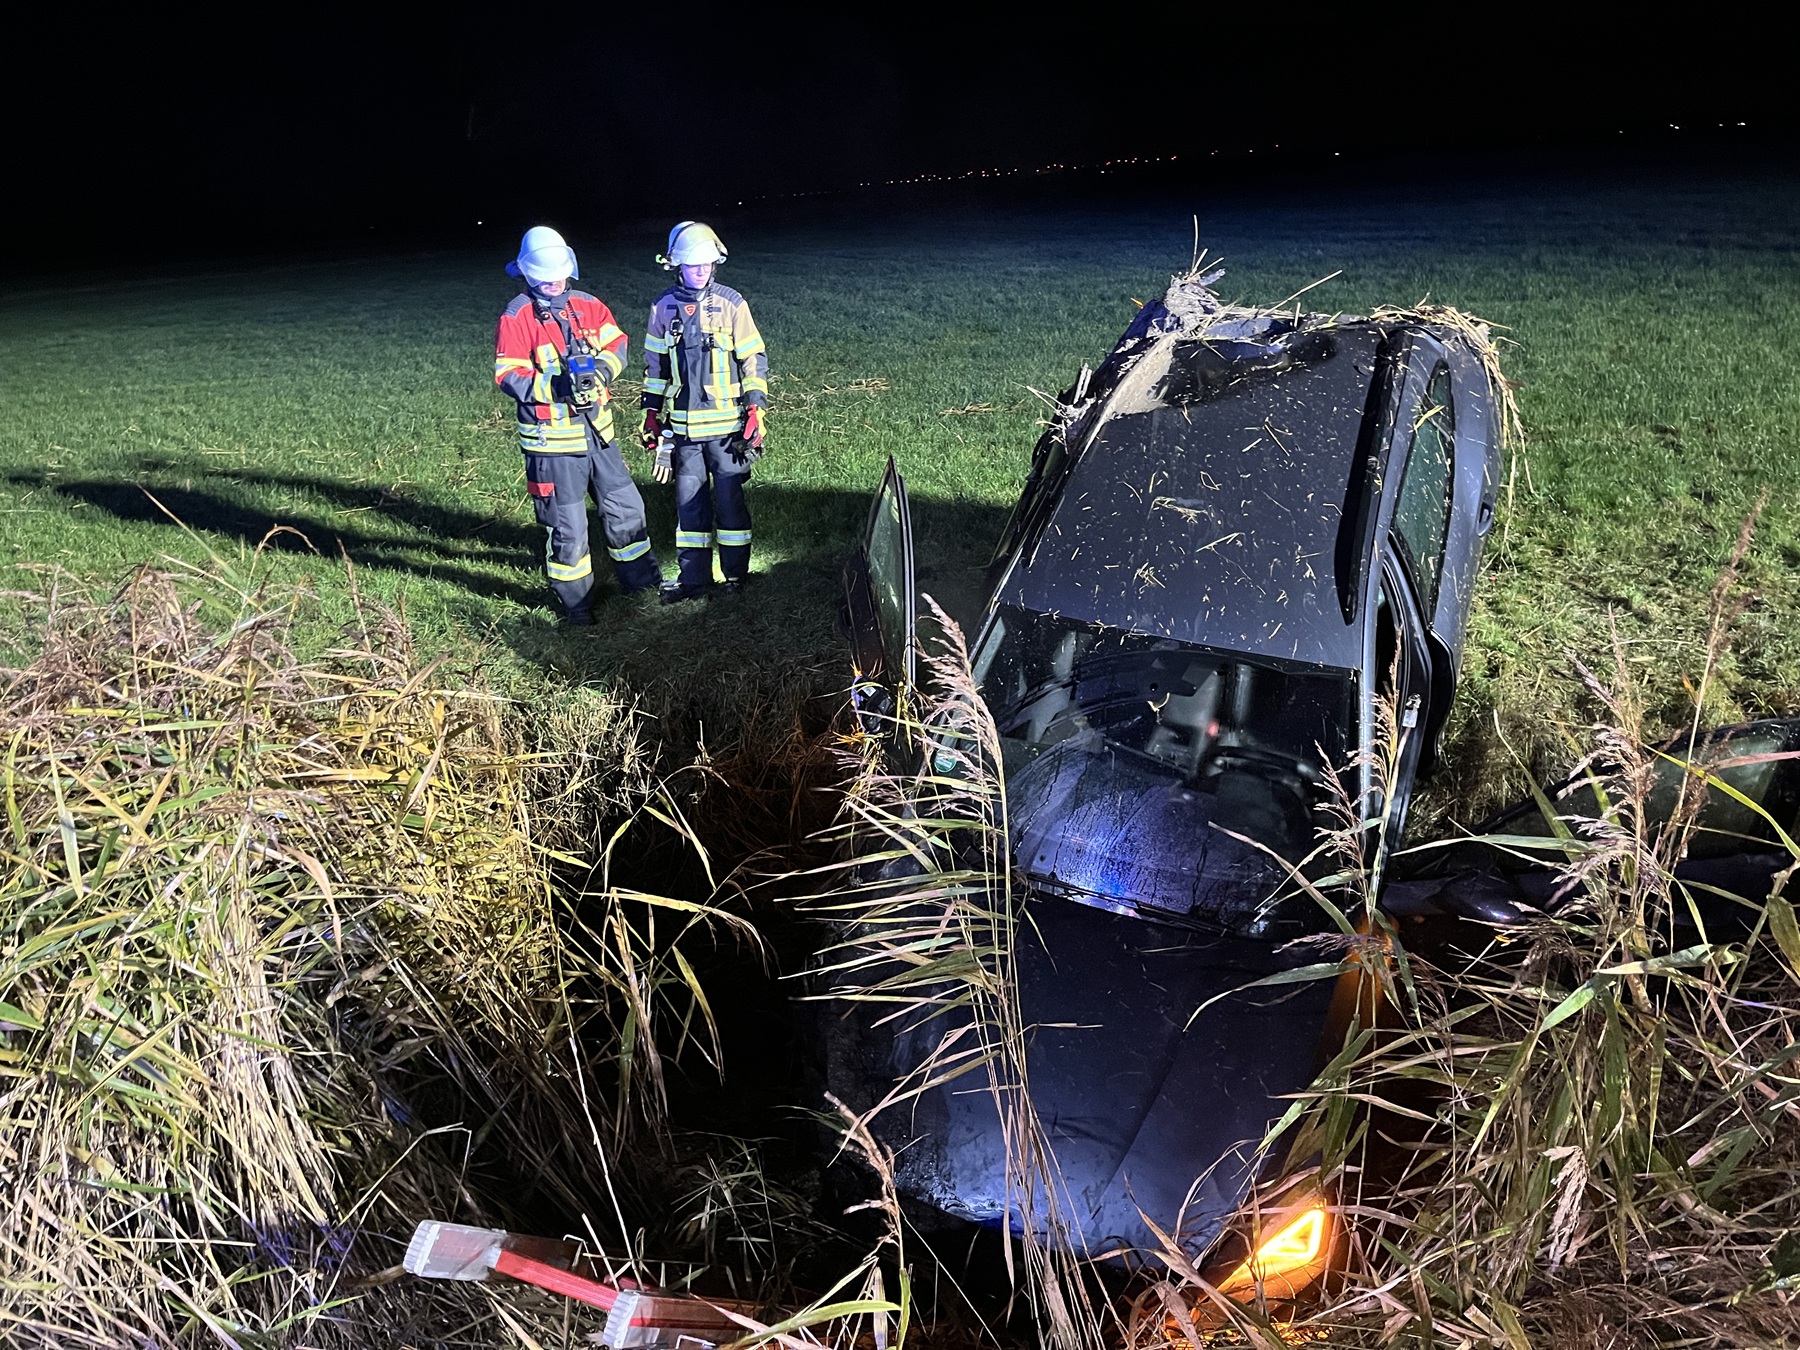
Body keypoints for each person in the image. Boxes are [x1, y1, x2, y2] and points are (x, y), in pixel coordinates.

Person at [494, 225, 661, 625]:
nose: (555, 281)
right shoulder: (517, 317)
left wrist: (602, 370)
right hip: (552, 444)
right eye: (545, 275)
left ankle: (643, 587)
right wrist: (556, 386)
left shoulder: (587, 304)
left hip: (598, 435)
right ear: (528, 273)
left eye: (560, 273)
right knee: (567, 529)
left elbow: (616, 343)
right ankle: (578, 608)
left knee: (626, 510)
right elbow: (508, 375)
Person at [640, 222, 768, 603]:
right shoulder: (662, 307)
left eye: (707, 264)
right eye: (693, 265)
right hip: (684, 432)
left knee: (730, 505)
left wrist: (755, 409)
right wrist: (650, 412)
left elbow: (752, 359)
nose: (701, 270)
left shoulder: (732, 303)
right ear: (677, 265)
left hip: (729, 431)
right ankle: (694, 580)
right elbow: (655, 366)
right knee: (689, 509)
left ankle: (736, 577)